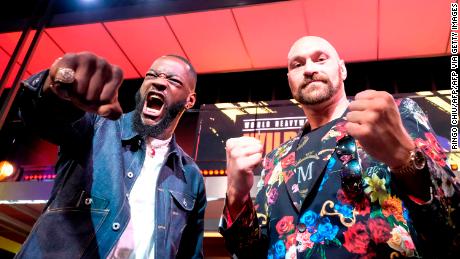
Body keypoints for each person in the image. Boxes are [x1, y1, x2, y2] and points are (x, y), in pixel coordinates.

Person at [219, 36, 459, 258]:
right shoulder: (276, 160)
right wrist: (236, 195)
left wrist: (405, 158)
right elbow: (247, 251)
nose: (310, 69)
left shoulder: (394, 116)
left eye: (321, 59)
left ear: (342, 69)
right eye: (297, 65)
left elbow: (451, 217)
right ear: (290, 81)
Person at [15, 52, 206, 258]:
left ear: (190, 100)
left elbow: (191, 254)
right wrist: (54, 87)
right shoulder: (97, 126)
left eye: (173, 80)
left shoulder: (190, 176)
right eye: (152, 75)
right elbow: (43, 118)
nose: (159, 82)